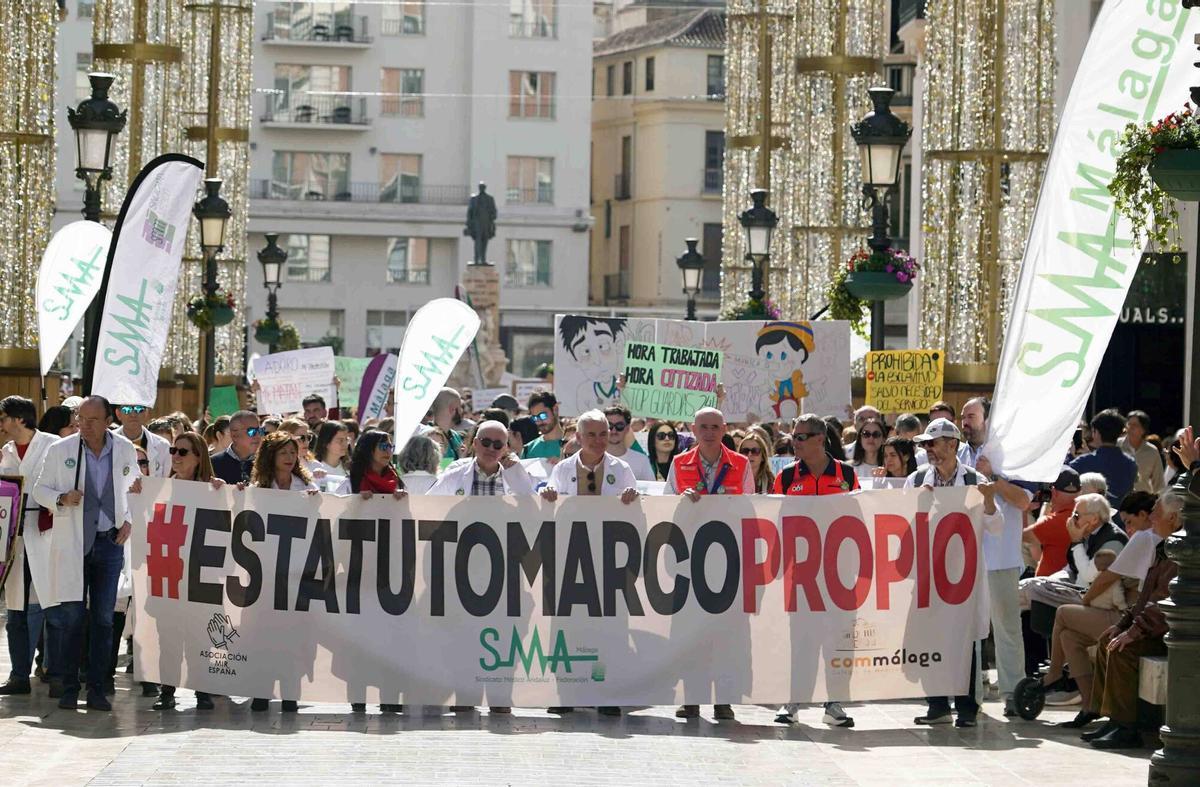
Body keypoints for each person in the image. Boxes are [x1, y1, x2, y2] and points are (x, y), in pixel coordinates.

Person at [32, 396, 139, 711]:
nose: (85, 425)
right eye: (81, 418)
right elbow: (40, 490)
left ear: (109, 421)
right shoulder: (61, 450)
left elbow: (135, 488)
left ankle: (97, 687)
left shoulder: (124, 449)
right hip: (74, 542)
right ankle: (68, 686)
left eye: (93, 420)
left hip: (110, 542)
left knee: (104, 619)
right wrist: (63, 497)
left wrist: (129, 520)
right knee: (72, 618)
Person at [429, 421, 533, 715]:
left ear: (507, 449)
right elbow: (430, 506)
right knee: (464, 636)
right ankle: (466, 695)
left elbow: (533, 510)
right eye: (485, 442)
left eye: (498, 445)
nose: (490, 449)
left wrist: (517, 473)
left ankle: (501, 697)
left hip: (506, 569)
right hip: (464, 569)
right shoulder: (455, 473)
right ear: (474, 443)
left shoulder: (516, 475)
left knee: (506, 634)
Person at [904, 418, 1003, 728]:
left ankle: (967, 708)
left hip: (964, 577)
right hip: (929, 574)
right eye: (925, 445)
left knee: (966, 640)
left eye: (933, 443)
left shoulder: (975, 479)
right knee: (931, 637)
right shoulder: (917, 478)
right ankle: (937, 704)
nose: (928, 450)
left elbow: (996, 526)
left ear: (952, 444)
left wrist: (987, 501)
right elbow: (901, 523)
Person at [540, 410, 637, 716]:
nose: (598, 440)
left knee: (610, 628)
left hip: (608, 560)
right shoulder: (562, 470)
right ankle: (564, 694)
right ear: (578, 438)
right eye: (591, 435)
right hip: (570, 559)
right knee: (566, 627)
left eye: (603, 434)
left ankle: (607, 695)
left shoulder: (622, 470)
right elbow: (548, 512)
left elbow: (637, 515)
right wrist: (547, 496)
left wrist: (633, 500)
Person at [772, 413, 861, 729]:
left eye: (800, 437)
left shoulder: (846, 474)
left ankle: (834, 702)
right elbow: (776, 522)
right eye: (793, 437)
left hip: (839, 572)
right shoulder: (784, 476)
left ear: (820, 439)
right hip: (802, 573)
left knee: (838, 639)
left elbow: (859, 519)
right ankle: (793, 701)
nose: (793, 442)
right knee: (801, 639)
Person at [666, 407, 750, 721]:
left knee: (726, 633)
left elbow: (750, 507)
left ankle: (723, 700)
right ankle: (691, 698)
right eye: (704, 427)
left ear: (725, 428)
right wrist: (681, 500)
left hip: (728, 559)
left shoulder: (740, 464)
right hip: (691, 559)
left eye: (715, 426)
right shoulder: (679, 463)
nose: (710, 432)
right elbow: (666, 507)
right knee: (689, 632)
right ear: (693, 428)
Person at [1083, 491, 1184, 749]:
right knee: (1109, 638)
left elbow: (1166, 604)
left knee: (1123, 649)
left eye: (1156, 513)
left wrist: (1134, 631)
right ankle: (1110, 717)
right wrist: (1124, 623)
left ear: (1173, 518)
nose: (1151, 518)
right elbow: (1145, 598)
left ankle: (1127, 726)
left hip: (1171, 634)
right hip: (1154, 626)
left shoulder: (1181, 555)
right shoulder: (1164, 549)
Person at [956, 396, 1034, 715]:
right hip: (965, 558)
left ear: (988, 419)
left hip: (1000, 557)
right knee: (966, 630)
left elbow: (1024, 501)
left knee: (1006, 628)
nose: (965, 423)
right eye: (963, 417)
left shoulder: (1012, 456)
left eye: (971, 416)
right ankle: (968, 694)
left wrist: (993, 478)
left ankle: (1014, 693)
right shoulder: (957, 454)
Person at [146, 431, 224, 711]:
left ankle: (201, 690)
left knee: (199, 636)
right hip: (168, 573)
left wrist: (227, 494)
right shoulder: (159, 489)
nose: (175, 457)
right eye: (173, 451)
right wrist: (136, 495)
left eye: (183, 452)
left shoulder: (214, 490)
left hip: (200, 576)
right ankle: (166, 691)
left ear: (199, 457)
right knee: (168, 637)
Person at [247, 431, 318, 713]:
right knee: (264, 634)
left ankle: (291, 694)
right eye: (283, 453)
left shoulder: (308, 486)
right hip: (265, 574)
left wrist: (315, 500)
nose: (290, 458)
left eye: (293, 452)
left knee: (294, 635)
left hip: (297, 574)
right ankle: (261, 692)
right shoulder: (258, 488)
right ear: (271, 457)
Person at [0, 397, 60, 696]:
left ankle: (58, 672)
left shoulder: (53, 446)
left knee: (54, 609)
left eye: (4, 417)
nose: (1, 423)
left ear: (19, 418)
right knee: (16, 612)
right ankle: (18, 675)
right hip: (13, 540)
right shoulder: (6, 452)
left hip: (45, 535)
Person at [1070, 409, 1138, 511]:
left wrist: (1073, 456)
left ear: (1096, 432)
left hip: (1090, 518)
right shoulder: (1131, 463)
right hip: (1120, 521)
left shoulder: (1082, 462)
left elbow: (1064, 478)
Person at [1022, 468, 1082, 577]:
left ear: (1053, 492)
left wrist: (1024, 511)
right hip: (1075, 582)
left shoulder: (1052, 522)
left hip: (1051, 588)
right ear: (1080, 491)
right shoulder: (1087, 513)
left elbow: (1022, 536)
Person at [112, 403, 171, 478]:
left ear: (146, 413)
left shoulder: (163, 446)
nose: (133, 414)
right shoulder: (107, 442)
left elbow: (166, 483)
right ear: (118, 414)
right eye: (127, 409)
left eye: (139, 409)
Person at [1118, 410, 1165, 494]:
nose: (1130, 428)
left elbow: (1159, 482)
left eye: (1135, 425)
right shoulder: (1117, 446)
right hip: (1119, 500)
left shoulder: (1152, 451)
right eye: (1129, 424)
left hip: (1142, 501)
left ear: (1143, 430)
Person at [602, 405, 653, 481]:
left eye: (619, 426)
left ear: (627, 428)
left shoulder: (641, 460)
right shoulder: (592, 459)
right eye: (610, 426)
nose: (614, 431)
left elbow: (652, 490)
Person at [211, 410, 263, 484]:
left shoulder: (265, 464)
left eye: (260, 431)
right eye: (252, 432)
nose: (258, 436)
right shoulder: (213, 463)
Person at [523, 391, 564, 460]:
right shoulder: (528, 450)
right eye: (534, 418)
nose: (539, 421)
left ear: (555, 410)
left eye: (542, 415)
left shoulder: (572, 445)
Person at [310, 419, 351, 486]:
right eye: (340, 440)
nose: (345, 444)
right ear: (326, 443)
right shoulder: (313, 468)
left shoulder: (350, 469)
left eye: (346, 439)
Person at [429, 388, 466, 460]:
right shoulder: (427, 437)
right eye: (460, 407)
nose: (462, 411)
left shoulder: (455, 436)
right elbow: (433, 469)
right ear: (452, 409)